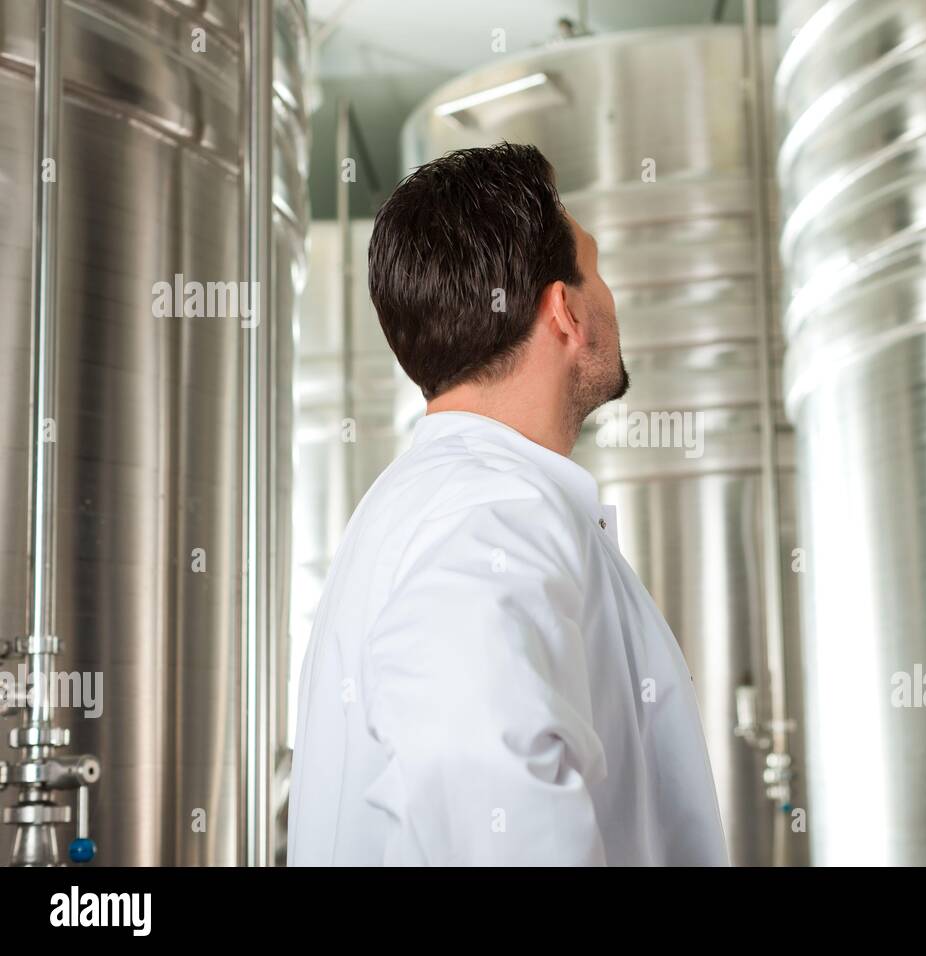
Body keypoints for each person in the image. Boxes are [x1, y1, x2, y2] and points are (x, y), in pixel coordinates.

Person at [287, 143, 728, 866]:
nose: (609, 297)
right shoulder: (491, 510)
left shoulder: (431, 500)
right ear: (564, 313)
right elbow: (484, 787)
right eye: (597, 271)